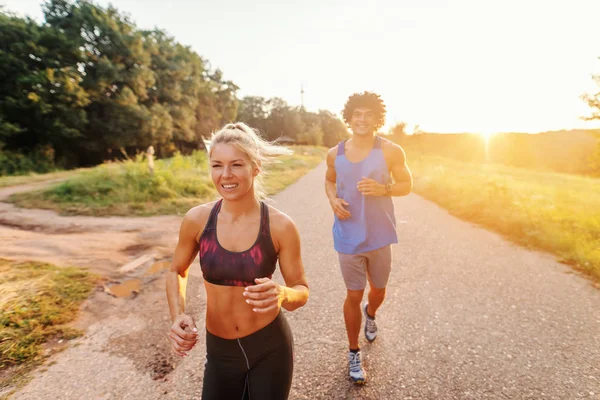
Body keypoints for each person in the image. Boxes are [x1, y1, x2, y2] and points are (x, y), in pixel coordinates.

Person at [166, 122, 309, 400]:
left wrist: (282, 294)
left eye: (236, 165)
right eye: (217, 165)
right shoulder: (197, 220)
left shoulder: (280, 227)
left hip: (269, 347)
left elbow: (301, 290)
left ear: (255, 168)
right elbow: (176, 270)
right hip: (220, 351)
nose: (226, 175)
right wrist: (177, 314)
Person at [324, 92, 413, 384]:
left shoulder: (391, 151)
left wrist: (384, 189)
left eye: (368, 115)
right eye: (357, 114)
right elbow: (329, 180)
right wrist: (333, 200)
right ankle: (353, 352)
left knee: (378, 291)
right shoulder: (334, 153)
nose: (362, 120)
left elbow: (406, 184)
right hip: (347, 235)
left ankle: (371, 313)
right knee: (353, 293)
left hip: (379, 234)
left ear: (377, 119)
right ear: (349, 118)